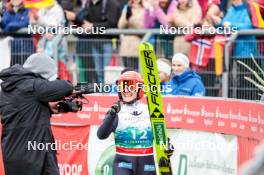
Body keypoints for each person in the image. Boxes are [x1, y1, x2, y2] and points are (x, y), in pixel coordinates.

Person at [0, 53, 73, 175]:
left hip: (13, 153)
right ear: (41, 73)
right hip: (35, 158)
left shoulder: (7, 88)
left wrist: (47, 109)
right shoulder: (33, 86)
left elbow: (23, 111)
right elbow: (66, 87)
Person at [97, 71, 156, 175]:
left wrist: (168, 149)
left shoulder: (150, 110)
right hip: (123, 164)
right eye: (122, 86)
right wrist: (111, 115)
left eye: (130, 86)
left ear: (139, 89)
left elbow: (160, 137)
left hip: (147, 165)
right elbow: (101, 135)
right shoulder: (116, 111)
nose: (126, 90)